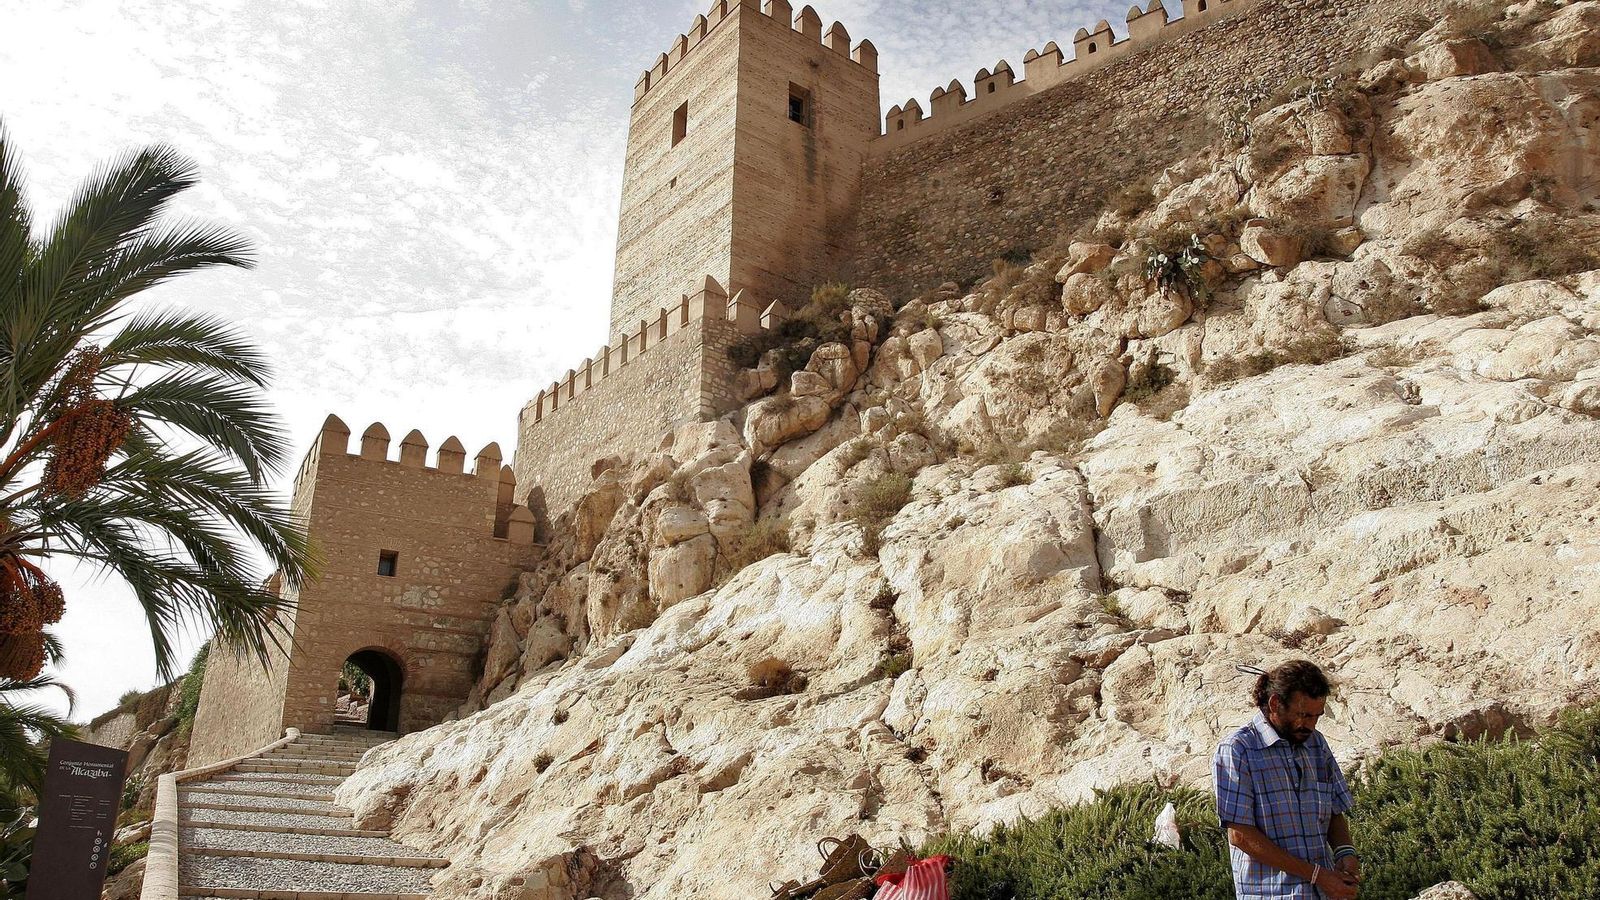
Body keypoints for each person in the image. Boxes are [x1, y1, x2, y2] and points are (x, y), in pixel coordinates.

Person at [1213, 660, 1361, 899]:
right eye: (1302, 715)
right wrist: (1316, 875)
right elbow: (1240, 836)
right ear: (1275, 704)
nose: (1310, 725)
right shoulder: (1238, 750)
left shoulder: (1316, 744)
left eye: (1316, 716)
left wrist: (1346, 854)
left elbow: (1334, 811)